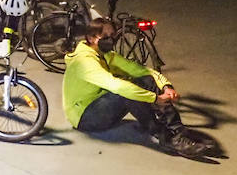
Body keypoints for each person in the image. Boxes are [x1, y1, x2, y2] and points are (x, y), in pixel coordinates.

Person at [62, 18, 210, 158]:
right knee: (125, 92)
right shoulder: (84, 62)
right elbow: (117, 86)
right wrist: (155, 98)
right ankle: (167, 139)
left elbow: (142, 71)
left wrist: (166, 86)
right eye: (105, 36)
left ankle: (177, 130)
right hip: (85, 117)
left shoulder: (105, 55)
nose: (111, 39)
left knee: (143, 80)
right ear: (92, 38)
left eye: (112, 35)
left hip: (100, 103)